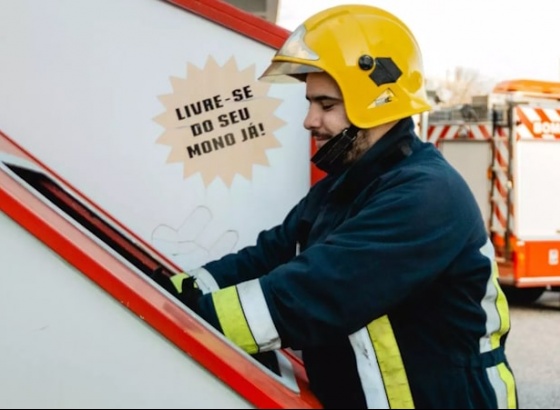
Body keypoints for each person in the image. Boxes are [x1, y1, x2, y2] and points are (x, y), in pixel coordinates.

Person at [153, 4, 518, 409]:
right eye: (311, 103)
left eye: (326, 106)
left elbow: (311, 295)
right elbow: (266, 257)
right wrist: (176, 291)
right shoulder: (343, 188)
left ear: (378, 101)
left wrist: (189, 321)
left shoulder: (425, 196)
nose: (309, 120)